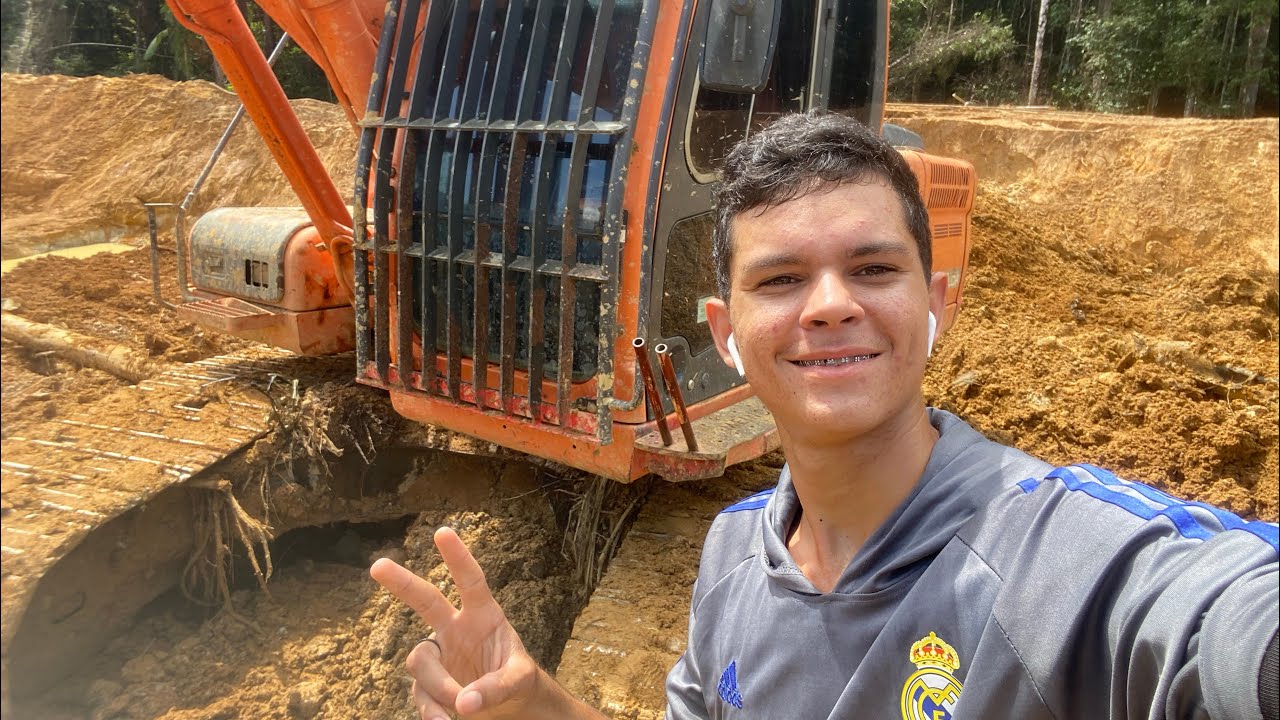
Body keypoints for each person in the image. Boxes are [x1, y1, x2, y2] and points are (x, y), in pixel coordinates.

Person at [370, 111, 1279, 720]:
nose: (828, 305)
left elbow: (1228, 622)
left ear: (942, 301)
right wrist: (542, 708)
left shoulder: (1062, 562)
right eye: (781, 280)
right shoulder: (730, 558)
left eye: (875, 269)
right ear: (726, 333)